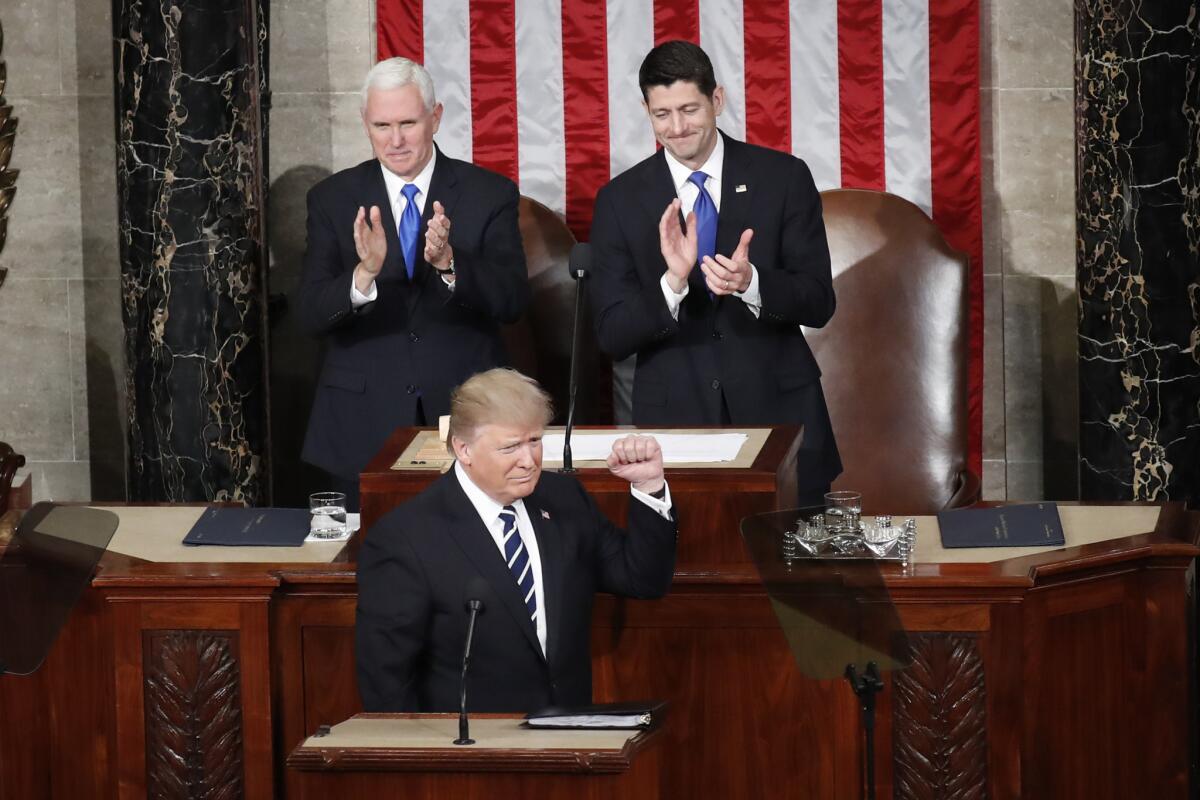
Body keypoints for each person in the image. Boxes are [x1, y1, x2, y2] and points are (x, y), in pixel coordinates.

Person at [588, 41, 842, 506]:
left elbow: (819, 301)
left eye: (689, 109)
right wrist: (672, 284)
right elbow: (611, 334)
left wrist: (753, 283)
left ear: (717, 100)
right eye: (661, 114)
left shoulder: (783, 178)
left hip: (780, 414)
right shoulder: (619, 201)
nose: (677, 128)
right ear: (646, 110)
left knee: (799, 572)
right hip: (676, 427)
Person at [356, 368, 677, 713]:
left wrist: (648, 486)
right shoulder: (405, 538)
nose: (529, 461)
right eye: (511, 447)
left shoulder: (564, 498)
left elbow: (643, 579)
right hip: (473, 750)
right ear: (463, 449)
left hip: (569, 736)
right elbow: (386, 682)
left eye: (535, 441)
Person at [297, 57, 529, 510]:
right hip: (359, 424)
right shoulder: (332, 199)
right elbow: (308, 315)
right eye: (382, 125)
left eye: (408, 123)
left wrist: (449, 262)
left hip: (467, 417)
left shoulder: (489, 193)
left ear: (436, 117)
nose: (395, 140)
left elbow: (513, 300)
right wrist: (363, 274)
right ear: (365, 123)